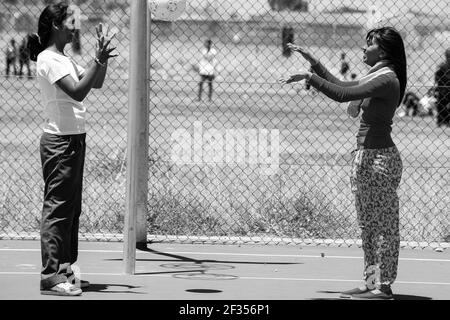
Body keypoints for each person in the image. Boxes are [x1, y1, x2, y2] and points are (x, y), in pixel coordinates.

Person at [282, 26, 407, 300]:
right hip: (366, 158)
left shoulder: (387, 79)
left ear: (383, 51)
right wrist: (314, 63)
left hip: (379, 160)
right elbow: (343, 86)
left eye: (369, 44)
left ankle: (384, 287)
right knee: (369, 227)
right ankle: (372, 282)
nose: (364, 49)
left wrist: (310, 77)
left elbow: (342, 95)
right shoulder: (377, 75)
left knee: (384, 226)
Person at [28, 2, 117, 296]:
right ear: (55, 25)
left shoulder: (64, 58)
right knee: (57, 210)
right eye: (70, 21)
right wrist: (96, 58)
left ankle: (65, 269)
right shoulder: (48, 59)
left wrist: (100, 59)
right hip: (59, 143)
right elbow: (78, 93)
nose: (75, 26)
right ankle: (51, 277)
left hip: (75, 140)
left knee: (71, 210)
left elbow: (96, 82)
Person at [434, 48, 450, 127]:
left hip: (444, 89)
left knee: (442, 105)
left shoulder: (442, 66)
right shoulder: (442, 66)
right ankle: (442, 121)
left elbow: (436, 77)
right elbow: (437, 77)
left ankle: (444, 121)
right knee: (441, 105)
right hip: (443, 89)